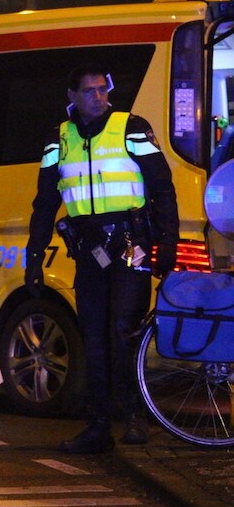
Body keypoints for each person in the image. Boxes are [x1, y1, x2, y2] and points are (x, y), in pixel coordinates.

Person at [25, 63, 179, 454]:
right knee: (92, 337)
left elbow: (163, 186)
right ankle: (97, 426)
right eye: (90, 91)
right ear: (72, 97)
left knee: (123, 332)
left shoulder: (131, 127)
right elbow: (45, 202)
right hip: (88, 250)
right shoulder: (58, 140)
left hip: (132, 245)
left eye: (102, 89)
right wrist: (34, 255)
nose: (99, 97)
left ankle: (134, 417)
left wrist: (168, 242)